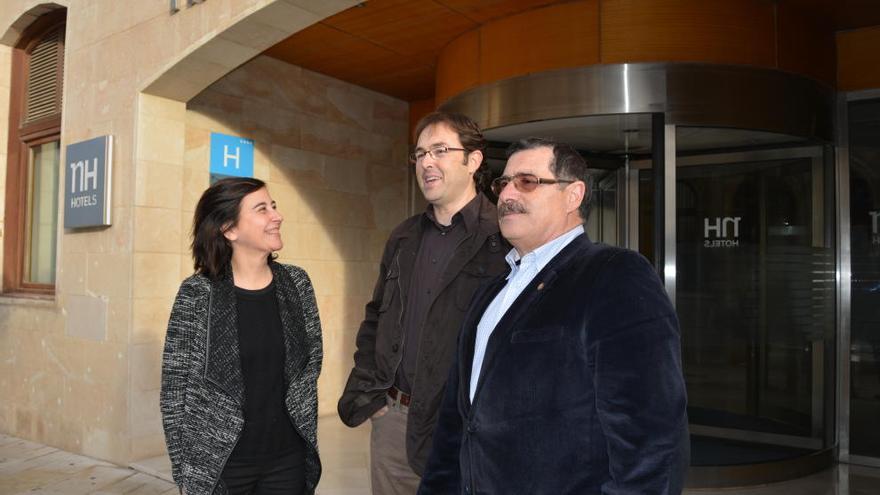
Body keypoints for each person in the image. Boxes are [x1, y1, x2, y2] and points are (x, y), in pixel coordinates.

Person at [419, 138, 690, 495]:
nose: (507, 194)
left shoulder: (614, 275)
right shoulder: (490, 291)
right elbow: (457, 422)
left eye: (527, 181)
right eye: (503, 183)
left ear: (573, 195)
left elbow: (651, 439)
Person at [337, 111, 509, 494]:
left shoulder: (504, 238)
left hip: (465, 428)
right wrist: (374, 401)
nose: (426, 162)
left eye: (439, 150)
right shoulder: (403, 237)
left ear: (474, 160)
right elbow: (375, 320)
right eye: (419, 154)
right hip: (394, 424)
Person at [160, 177, 323, 495]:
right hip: (222, 465)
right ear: (229, 229)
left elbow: (311, 362)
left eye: (273, 206)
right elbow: (174, 392)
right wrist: (186, 472)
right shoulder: (197, 294)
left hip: (287, 460)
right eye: (262, 209)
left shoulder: (297, 284)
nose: (277, 216)